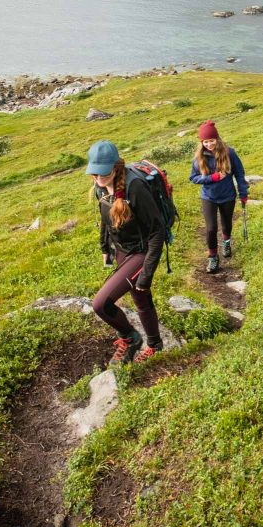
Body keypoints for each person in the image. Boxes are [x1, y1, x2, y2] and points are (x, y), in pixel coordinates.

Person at [86, 139, 164, 364]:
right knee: (140, 298)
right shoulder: (101, 187)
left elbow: (157, 231)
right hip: (122, 250)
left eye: (103, 173)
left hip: (141, 251)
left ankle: (130, 337)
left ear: (116, 167)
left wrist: (147, 272)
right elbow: (106, 220)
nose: (98, 178)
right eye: (94, 173)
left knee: (101, 304)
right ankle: (155, 345)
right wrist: (105, 248)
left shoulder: (135, 187)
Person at [189, 121, 249, 273]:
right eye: (205, 142)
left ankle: (226, 242)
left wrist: (243, 193)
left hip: (227, 196)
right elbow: (193, 178)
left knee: (226, 224)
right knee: (211, 229)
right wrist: (211, 178)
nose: (209, 144)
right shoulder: (199, 157)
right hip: (208, 197)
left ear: (217, 139)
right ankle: (213, 257)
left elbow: (239, 173)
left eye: (211, 140)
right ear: (201, 142)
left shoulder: (229, 153)